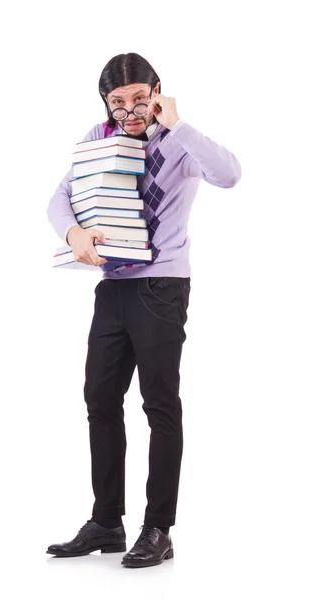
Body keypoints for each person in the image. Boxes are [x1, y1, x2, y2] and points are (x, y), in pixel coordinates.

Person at [46, 52, 242, 568]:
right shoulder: (98, 138)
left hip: (162, 285)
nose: (131, 111)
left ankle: (158, 528)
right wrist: (74, 232)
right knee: (100, 399)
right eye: (119, 103)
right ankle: (108, 521)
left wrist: (174, 122)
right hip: (113, 286)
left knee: (160, 404)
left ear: (156, 90)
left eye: (140, 98)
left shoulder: (177, 139)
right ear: (106, 104)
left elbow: (229, 174)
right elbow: (59, 197)